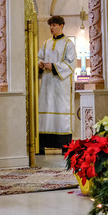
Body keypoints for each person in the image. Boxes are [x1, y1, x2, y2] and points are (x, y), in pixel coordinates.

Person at [36, 16, 76, 154]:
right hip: (47, 84)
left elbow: (71, 64)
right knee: (45, 108)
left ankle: (64, 146)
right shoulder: (46, 43)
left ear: (61, 25)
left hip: (60, 84)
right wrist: (40, 64)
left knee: (61, 110)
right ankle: (41, 146)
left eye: (54, 25)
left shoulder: (68, 44)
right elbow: (38, 57)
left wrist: (53, 66)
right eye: (50, 25)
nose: (52, 28)